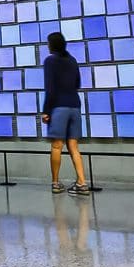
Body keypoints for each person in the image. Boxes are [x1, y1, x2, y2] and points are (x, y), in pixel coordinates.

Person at [41, 33, 89, 196]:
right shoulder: (72, 60)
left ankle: (55, 183)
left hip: (59, 107)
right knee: (74, 147)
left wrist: (46, 111)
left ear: (52, 45)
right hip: (75, 105)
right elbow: (77, 83)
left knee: (57, 145)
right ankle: (82, 183)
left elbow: (50, 88)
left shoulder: (50, 61)